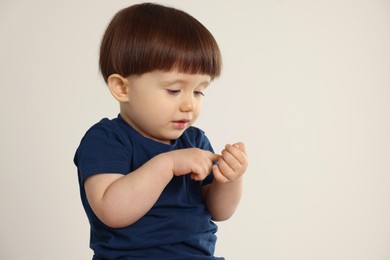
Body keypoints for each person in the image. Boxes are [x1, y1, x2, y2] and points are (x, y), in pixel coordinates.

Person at [74, 3, 248, 259]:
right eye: (174, 90)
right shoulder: (107, 139)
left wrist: (229, 180)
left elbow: (219, 211)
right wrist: (168, 165)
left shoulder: (194, 140)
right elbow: (111, 210)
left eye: (199, 91)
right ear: (122, 88)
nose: (189, 104)